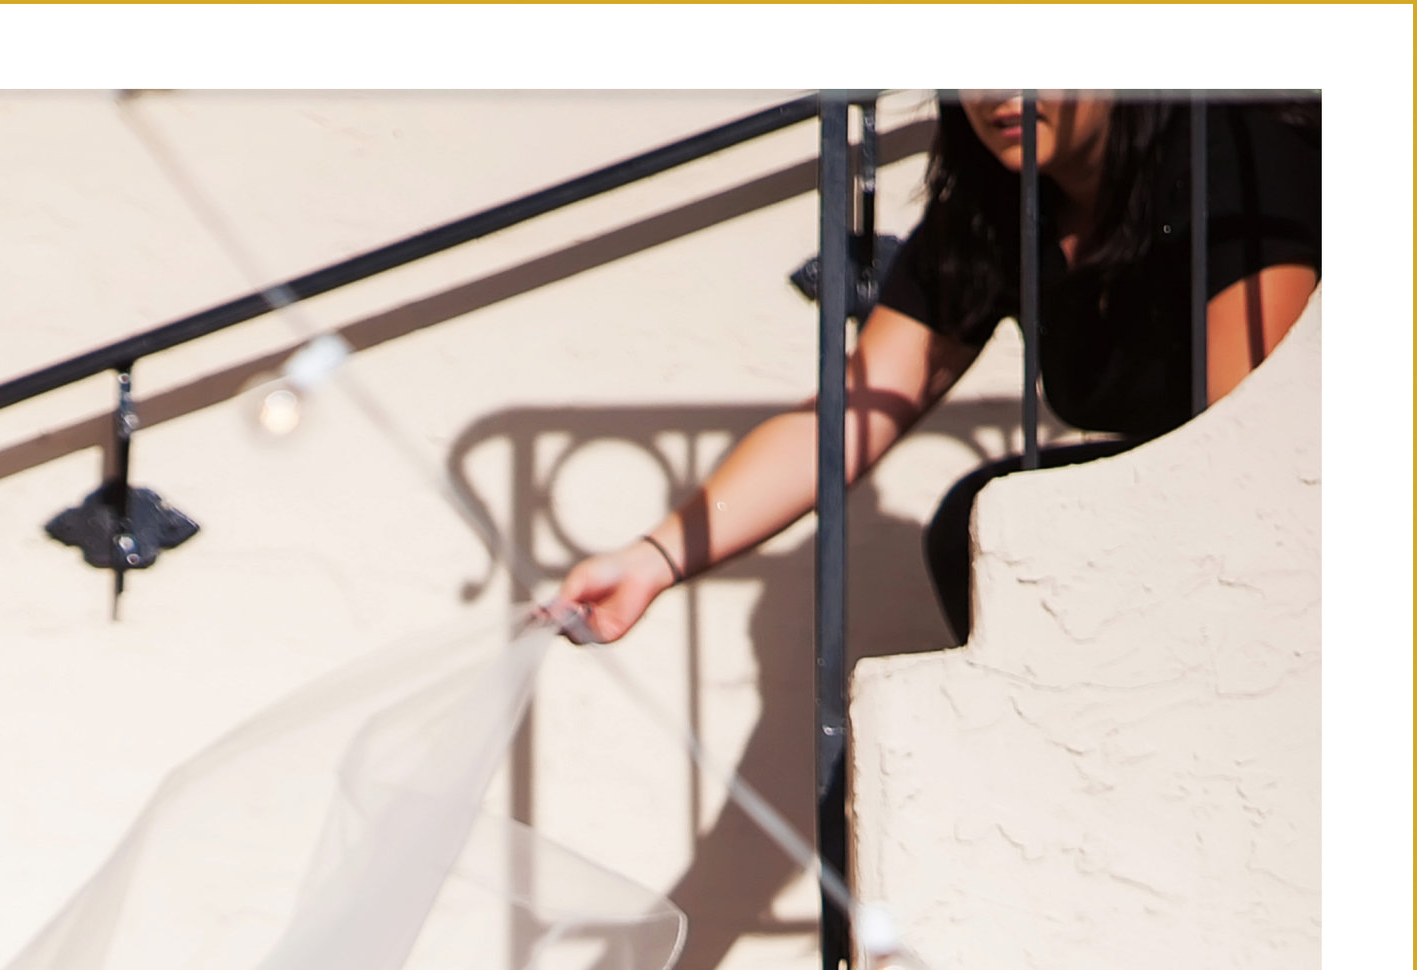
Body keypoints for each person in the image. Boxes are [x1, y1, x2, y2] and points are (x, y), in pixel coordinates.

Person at [558, 93, 1319, 650]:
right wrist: (651, 560)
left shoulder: (1235, 149)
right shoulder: (995, 211)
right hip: (1195, 520)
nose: (995, 93)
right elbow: (850, 414)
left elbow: (1245, 447)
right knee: (985, 521)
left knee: (1009, 520)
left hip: (1300, 525)